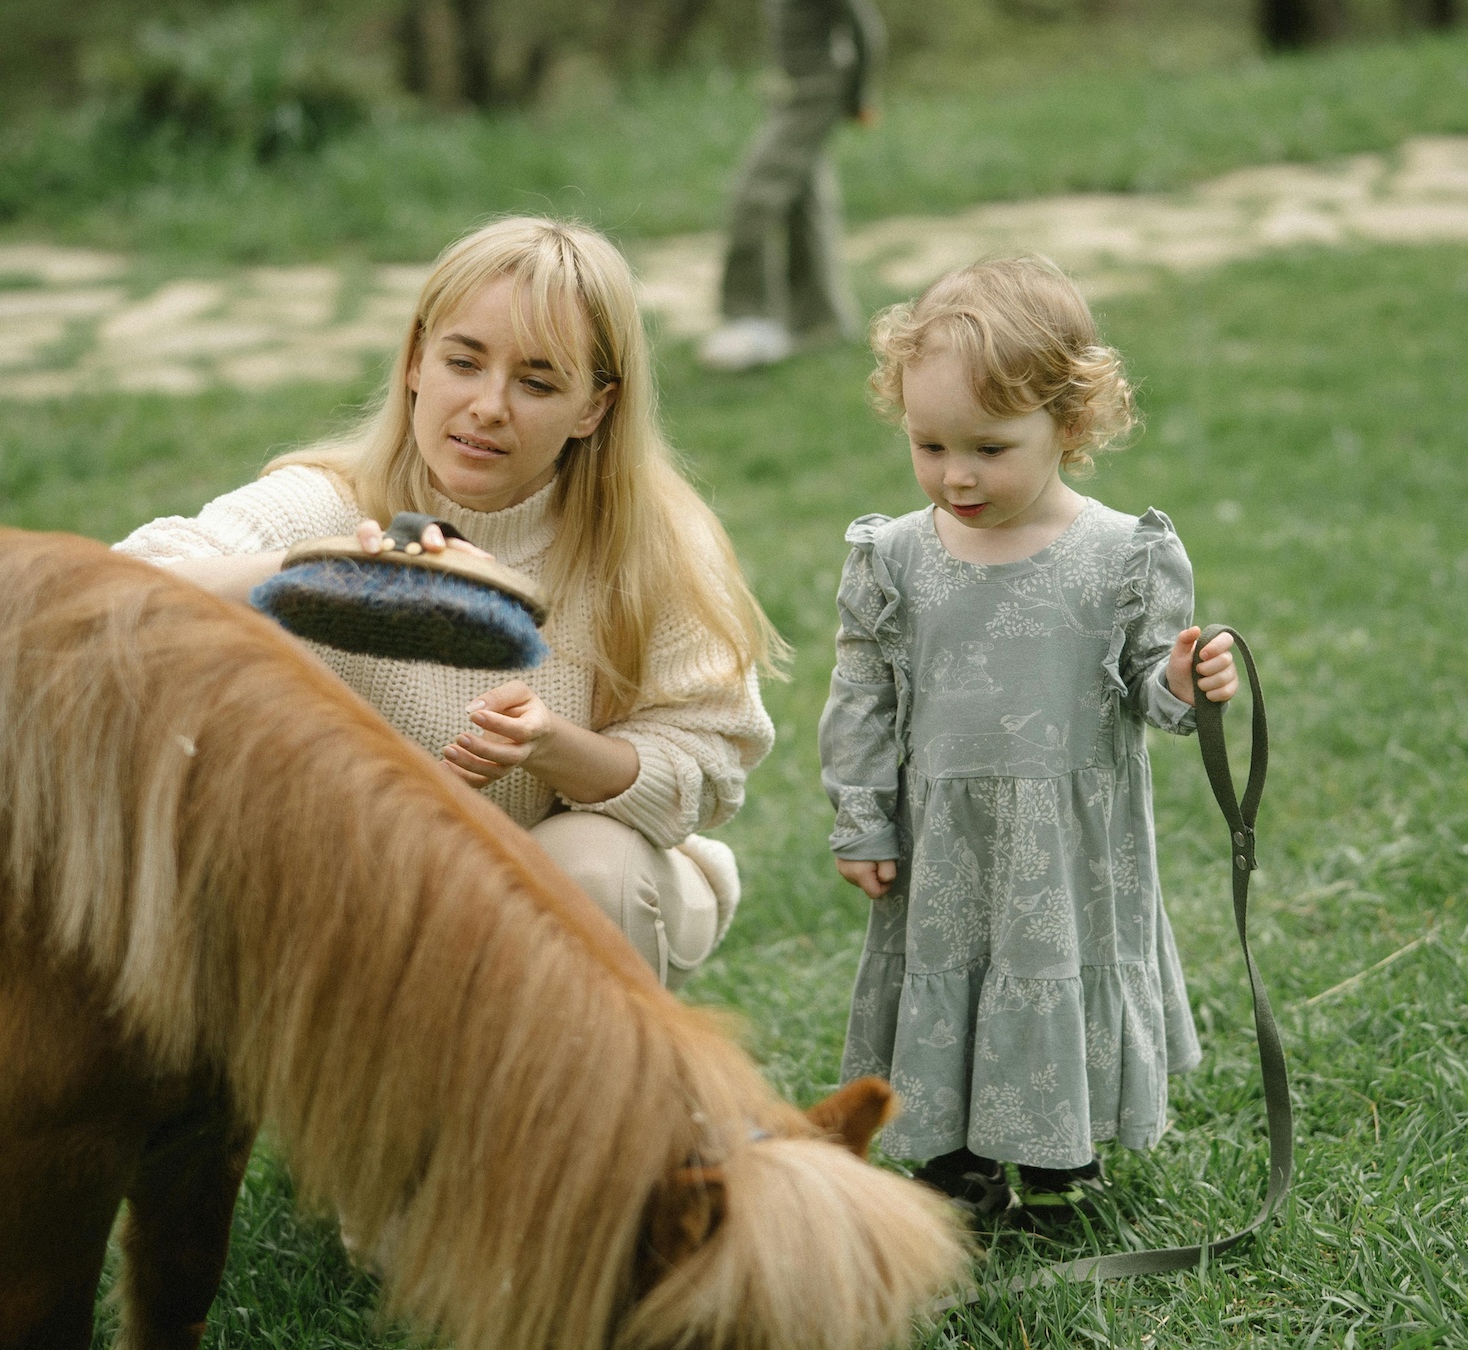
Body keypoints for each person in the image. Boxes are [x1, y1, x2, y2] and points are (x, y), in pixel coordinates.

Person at [116, 217, 783, 989]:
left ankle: (587, 1104)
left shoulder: (649, 547)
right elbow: (113, 594)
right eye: (463, 362)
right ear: (414, 361)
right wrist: (318, 573)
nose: (489, 405)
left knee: (590, 868)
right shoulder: (326, 510)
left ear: (594, 409)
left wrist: (550, 745)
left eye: (537, 383)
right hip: (366, 886)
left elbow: (705, 766)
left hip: (568, 879)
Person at [817, 255, 1239, 1223]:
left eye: (990, 448)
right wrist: (863, 817)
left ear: (1072, 423)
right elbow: (864, 694)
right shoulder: (893, 560)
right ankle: (956, 1160)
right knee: (953, 975)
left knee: (1054, 970)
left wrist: (1183, 682)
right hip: (945, 840)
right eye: (930, 444)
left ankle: (1059, 1151)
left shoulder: (1123, 555)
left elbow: (1151, 690)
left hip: (1070, 846)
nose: (955, 475)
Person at [695, 0, 885, 372]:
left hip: (817, 93)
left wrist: (859, 96)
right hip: (791, 92)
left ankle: (751, 320)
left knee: (754, 199)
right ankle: (820, 321)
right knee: (804, 204)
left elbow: (866, 28)